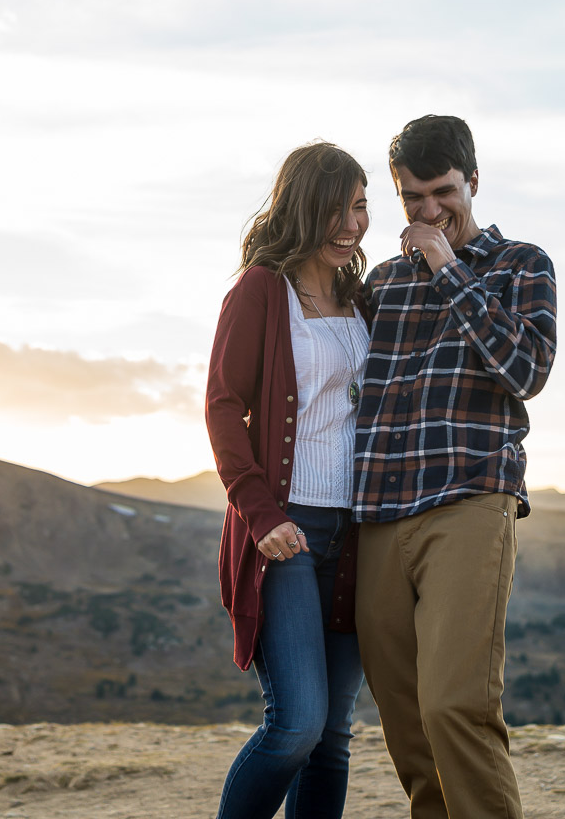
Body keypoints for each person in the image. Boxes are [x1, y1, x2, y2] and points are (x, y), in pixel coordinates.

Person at [352, 115, 558, 819]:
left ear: (472, 181)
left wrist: (447, 267)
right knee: (406, 719)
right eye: (412, 198)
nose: (428, 210)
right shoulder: (379, 283)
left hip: (470, 499)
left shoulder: (522, 265)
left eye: (442, 192)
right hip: (378, 512)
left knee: (453, 705)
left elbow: (524, 369)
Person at [206, 141, 373, 819]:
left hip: (359, 535)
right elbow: (222, 403)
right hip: (286, 530)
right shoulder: (260, 290)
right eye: (334, 210)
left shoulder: (361, 295)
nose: (349, 225)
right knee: (296, 723)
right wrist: (258, 512)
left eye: (360, 208)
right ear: (301, 210)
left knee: (332, 738)